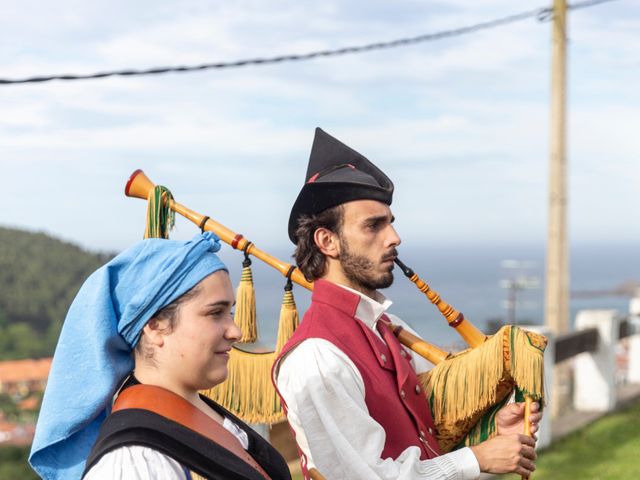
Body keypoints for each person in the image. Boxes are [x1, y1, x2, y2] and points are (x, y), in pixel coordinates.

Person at [273, 128, 542, 479]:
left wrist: (492, 437)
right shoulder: (317, 358)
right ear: (328, 241)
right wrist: (476, 458)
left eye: (391, 223)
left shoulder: (388, 327)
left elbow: (423, 446)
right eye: (374, 225)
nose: (394, 237)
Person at [30, 232, 291, 480]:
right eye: (215, 313)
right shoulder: (134, 460)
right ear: (154, 326)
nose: (236, 331)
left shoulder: (197, 416)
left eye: (230, 313)